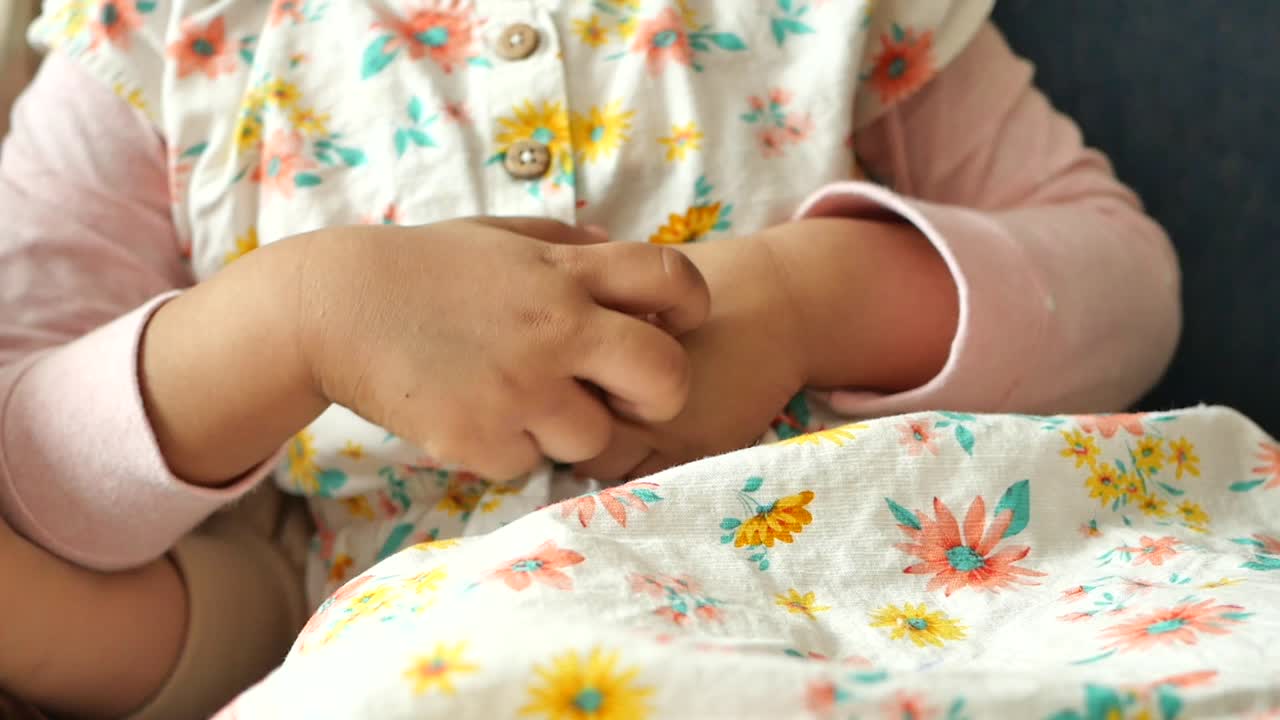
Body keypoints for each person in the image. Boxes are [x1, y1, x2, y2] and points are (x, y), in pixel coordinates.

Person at [0, 0, 1179, 717]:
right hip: (446, 655)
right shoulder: (155, 43)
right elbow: (30, 471)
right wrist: (291, 324)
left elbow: (1123, 294)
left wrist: (801, 301)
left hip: (929, 600)